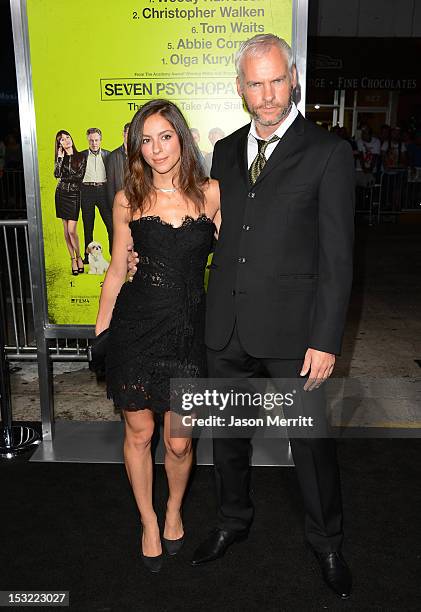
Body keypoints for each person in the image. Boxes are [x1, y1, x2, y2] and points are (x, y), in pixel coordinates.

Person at [130, 34, 355, 598]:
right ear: (240, 88)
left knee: (311, 441)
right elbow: (202, 222)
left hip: (295, 335)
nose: (267, 93)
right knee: (227, 438)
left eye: (276, 79)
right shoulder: (226, 151)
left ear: (294, 79)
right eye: (254, 83)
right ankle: (232, 521)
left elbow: (338, 258)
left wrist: (326, 338)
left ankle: (326, 542)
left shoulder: (328, 153)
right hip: (224, 328)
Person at [95, 99, 220, 573]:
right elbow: (114, 273)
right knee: (139, 431)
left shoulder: (211, 194)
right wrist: (102, 335)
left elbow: (232, 262)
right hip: (136, 329)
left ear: (181, 138)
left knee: (180, 442)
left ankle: (174, 509)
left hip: (188, 332)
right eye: (145, 140)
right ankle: (148, 518)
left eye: (164, 136)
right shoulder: (128, 198)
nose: (155, 148)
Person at [54, 130, 87, 275]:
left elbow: (79, 177)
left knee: (72, 230)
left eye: (67, 137)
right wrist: (60, 159)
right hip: (61, 194)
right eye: (62, 140)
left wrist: (64, 176)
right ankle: (73, 259)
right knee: (66, 231)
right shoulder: (60, 158)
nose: (66, 141)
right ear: (59, 144)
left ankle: (79, 256)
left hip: (74, 194)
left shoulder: (81, 156)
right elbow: (56, 174)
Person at [80, 128, 112, 261]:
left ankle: (114, 254)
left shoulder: (108, 155)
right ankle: (88, 257)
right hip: (86, 191)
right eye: (91, 140)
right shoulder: (81, 156)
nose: (94, 143)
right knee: (88, 226)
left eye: (96, 140)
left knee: (111, 225)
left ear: (100, 140)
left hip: (103, 191)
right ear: (88, 140)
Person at [106, 122, 130, 210]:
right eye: (128, 133)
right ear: (123, 134)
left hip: (137, 201)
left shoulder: (141, 155)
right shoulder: (113, 156)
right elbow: (110, 184)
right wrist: (113, 206)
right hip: (120, 203)